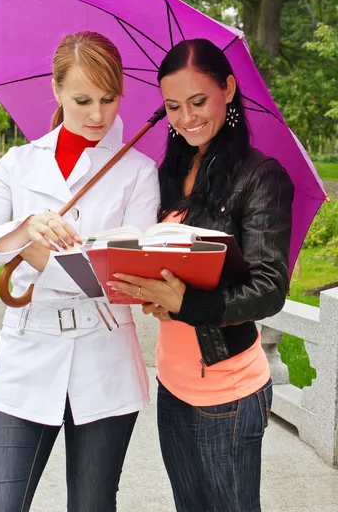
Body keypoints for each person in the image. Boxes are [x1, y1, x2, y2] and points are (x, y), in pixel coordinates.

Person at [0, 31, 160, 512]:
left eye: (109, 99)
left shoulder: (138, 172)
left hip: (105, 358)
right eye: (82, 99)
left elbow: (128, 281)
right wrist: (26, 228)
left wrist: (39, 256)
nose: (97, 115)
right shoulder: (19, 165)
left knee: (92, 504)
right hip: (26, 356)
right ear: (56, 90)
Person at [109, 38, 294, 512]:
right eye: (173, 106)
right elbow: (170, 265)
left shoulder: (259, 177)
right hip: (172, 381)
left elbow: (269, 289)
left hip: (228, 389)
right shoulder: (170, 173)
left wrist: (185, 304)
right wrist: (151, 290)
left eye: (198, 101)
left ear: (228, 89)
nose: (187, 118)